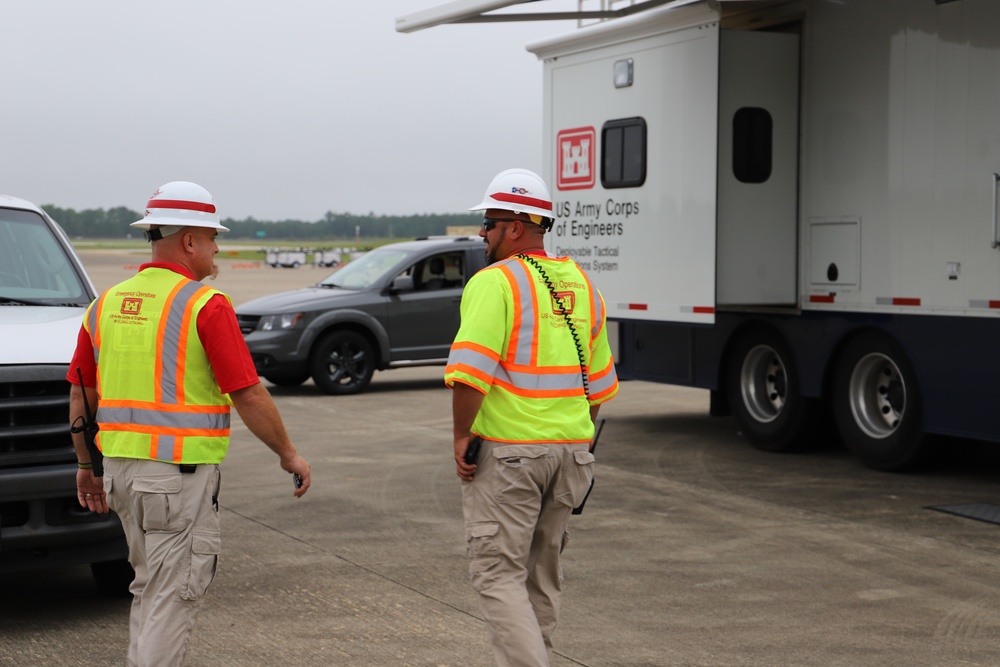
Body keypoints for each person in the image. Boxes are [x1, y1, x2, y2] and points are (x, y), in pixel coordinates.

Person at [68, 181, 312, 667]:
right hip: (174, 480)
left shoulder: (105, 305)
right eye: (212, 237)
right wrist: (288, 452)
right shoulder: (204, 304)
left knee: (148, 588)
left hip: (119, 475)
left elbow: (81, 392)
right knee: (172, 596)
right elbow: (247, 391)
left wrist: (84, 465)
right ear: (188, 241)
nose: (217, 248)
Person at [445, 168, 619, 666]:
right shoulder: (584, 286)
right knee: (540, 579)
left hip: (510, 457)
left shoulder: (495, 282)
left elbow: (470, 373)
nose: (482, 233)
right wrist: (570, 436)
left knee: (498, 576)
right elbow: (599, 386)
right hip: (571, 456)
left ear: (517, 225)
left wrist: (461, 436)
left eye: (490, 223)